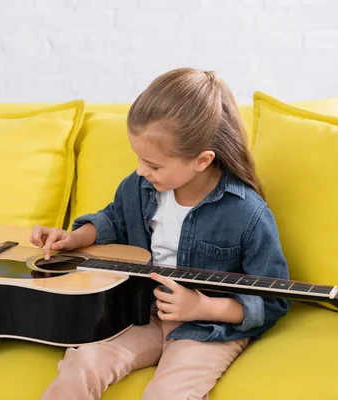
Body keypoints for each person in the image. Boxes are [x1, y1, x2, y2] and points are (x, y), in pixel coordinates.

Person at [31, 67, 290, 400]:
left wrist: (201, 306)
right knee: (82, 362)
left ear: (201, 160)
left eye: (153, 164)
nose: (141, 171)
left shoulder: (247, 213)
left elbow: (274, 299)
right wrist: (75, 238)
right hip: (146, 315)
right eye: (139, 159)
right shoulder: (141, 187)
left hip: (208, 329)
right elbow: (115, 219)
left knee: (166, 394)